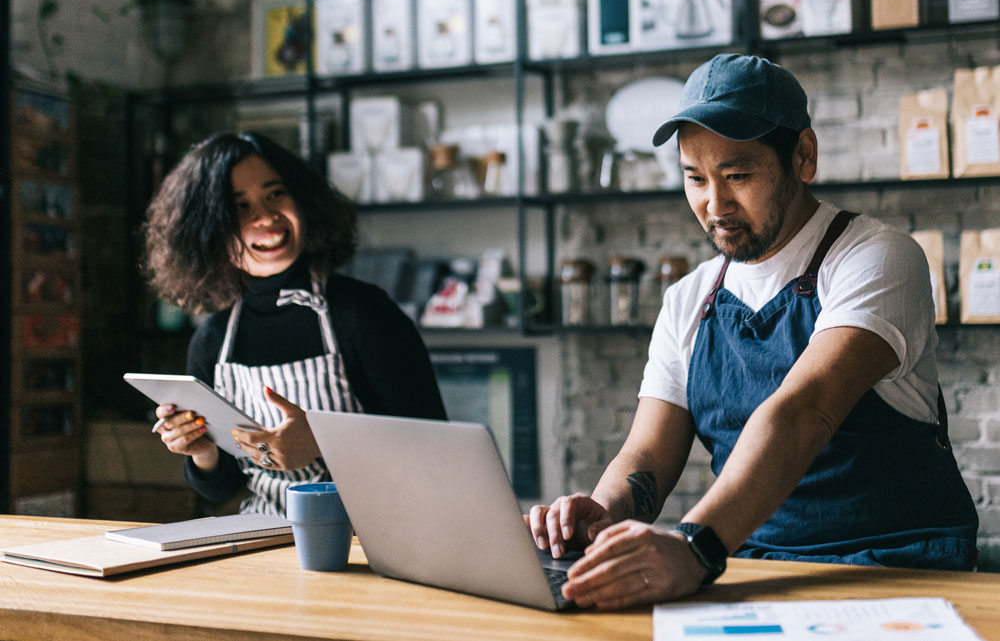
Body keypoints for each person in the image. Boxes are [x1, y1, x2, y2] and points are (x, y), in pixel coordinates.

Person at [529, 54, 979, 609]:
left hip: (899, 569)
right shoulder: (689, 299)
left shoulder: (877, 258)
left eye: (737, 175)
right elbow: (647, 453)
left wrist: (692, 548)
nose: (714, 205)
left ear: (803, 156)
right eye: (695, 178)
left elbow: (803, 413)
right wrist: (603, 517)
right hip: (754, 569)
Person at [143, 131, 447, 516]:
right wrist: (201, 450)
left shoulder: (362, 313)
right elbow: (222, 489)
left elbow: (437, 448)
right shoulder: (214, 340)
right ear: (207, 231)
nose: (267, 217)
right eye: (239, 207)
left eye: (275, 194)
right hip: (266, 540)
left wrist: (324, 441)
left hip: (372, 540)